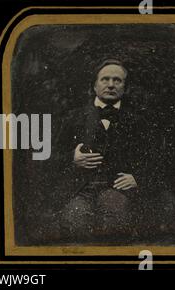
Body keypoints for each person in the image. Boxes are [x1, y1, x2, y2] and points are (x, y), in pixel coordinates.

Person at [57, 59, 150, 243]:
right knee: (75, 222)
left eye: (117, 80)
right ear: (94, 85)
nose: (110, 85)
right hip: (79, 189)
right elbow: (47, 157)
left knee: (116, 223)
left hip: (118, 190)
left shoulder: (139, 121)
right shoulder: (72, 118)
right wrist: (71, 158)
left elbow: (157, 160)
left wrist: (137, 178)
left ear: (125, 87)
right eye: (105, 79)